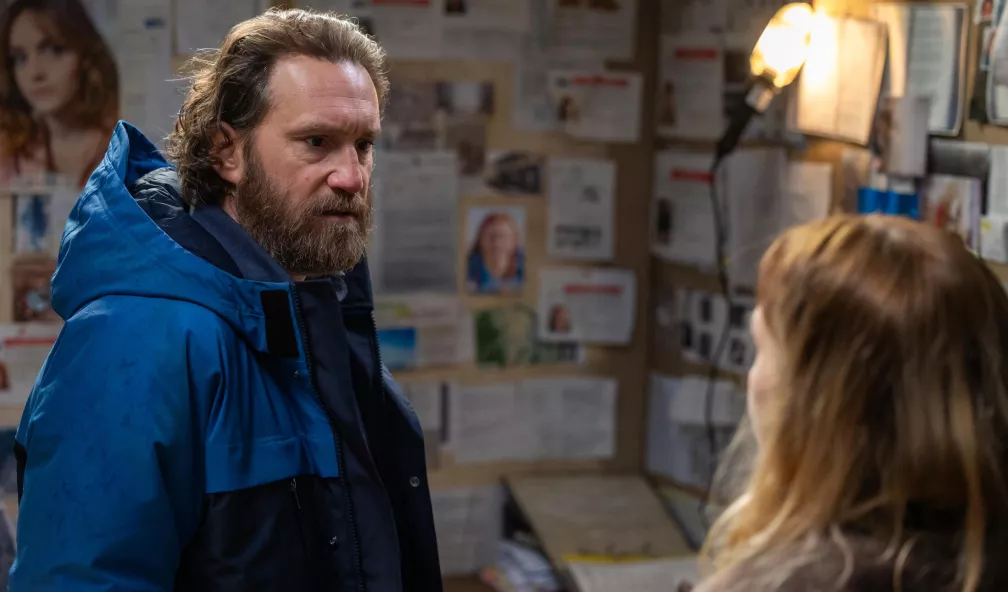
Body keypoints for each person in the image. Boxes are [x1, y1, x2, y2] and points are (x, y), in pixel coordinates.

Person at [10, 8, 442, 592]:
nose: (351, 176)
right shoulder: (135, 339)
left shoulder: (318, 315)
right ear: (226, 152)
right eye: (317, 142)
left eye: (363, 145)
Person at [695, 215, 1008, 592]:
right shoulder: (980, 561)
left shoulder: (791, 584)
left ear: (819, 402)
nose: (752, 378)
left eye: (761, 348)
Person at [0, 0, 118, 187]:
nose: (35, 72)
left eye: (54, 50)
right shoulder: (11, 160)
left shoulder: (123, 148)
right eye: (20, 58)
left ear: (85, 56)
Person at [466, 211, 525, 294]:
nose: (497, 243)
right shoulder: (465, 273)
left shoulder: (527, 271)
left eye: (503, 236)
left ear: (514, 242)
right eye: (491, 236)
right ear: (480, 241)